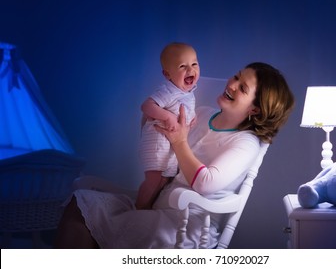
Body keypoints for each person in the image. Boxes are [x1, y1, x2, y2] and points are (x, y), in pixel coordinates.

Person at [54, 62, 294, 249]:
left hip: (186, 225)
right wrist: (155, 117)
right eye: (237, 76)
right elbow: (159, 145)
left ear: (255, 109)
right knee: (81, 201)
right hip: (158, 205)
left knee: (94, 224)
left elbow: (205, 183)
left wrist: (179, 141)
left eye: (242, 88)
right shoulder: (202, 113)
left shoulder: (246, 142)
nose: (232, 84)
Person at [136, 42, 200, 209]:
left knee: (164, 181)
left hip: (168, 147)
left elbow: (182, 110)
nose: (190, 70)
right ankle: (138, 209)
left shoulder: (187, 93)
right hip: (156, 144)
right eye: (182, 66)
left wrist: (192, 117)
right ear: (167, 74)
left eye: (194, 64)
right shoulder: (168, 90)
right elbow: (147, 106)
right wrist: (168, 117)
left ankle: (148, 208)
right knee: (154, 180)